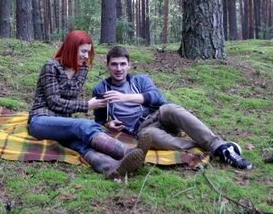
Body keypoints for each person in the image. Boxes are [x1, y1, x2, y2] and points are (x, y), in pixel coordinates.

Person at [92, 46, 253, 170]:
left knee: (170, 108)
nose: (118, 69)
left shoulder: (140, 81)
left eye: (122, 64)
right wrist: (108, 124)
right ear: (107, 66)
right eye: (114, 64)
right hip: (141, 129)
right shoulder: (101, 90)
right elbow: (99, 119)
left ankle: (217, 144)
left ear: (129, 65)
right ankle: (220, 150)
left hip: (159, 116)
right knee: (147, 137)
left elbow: (157, 98)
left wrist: (125, 97)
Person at [28, 31, 151, 178]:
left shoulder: (82, 70)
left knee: (81, 145)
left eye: (88, 51)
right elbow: (54, 102)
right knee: (83, 125)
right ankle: (128, 152)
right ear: (71, 49)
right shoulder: (51, 67)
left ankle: (112, 168)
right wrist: (87, 105)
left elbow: (69, 102)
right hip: (40, 121)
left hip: (64, 123)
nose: (86, 56)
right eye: (84, 51)